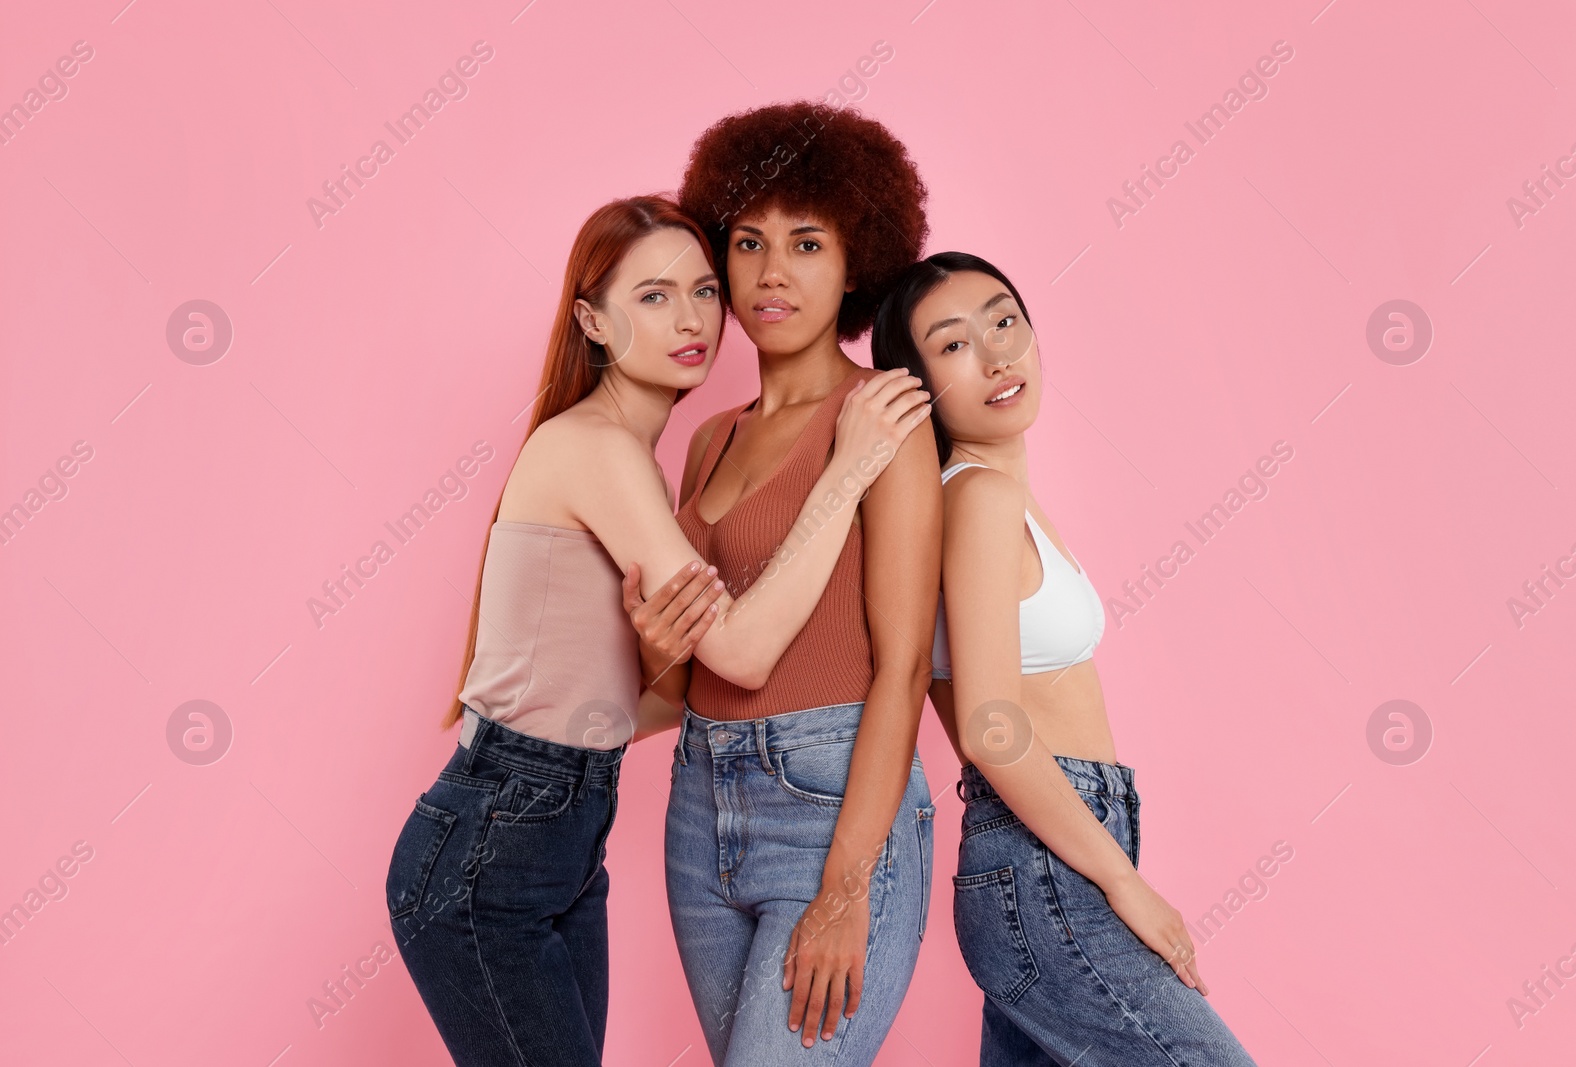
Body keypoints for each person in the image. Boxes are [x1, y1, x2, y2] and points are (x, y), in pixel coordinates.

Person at [382, 194, 929, 1067]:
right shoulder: (600, 449)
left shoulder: (647, 457)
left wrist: (660, 652)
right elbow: (741, 654)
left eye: (703, 291)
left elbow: (655, 702)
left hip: (562, 827)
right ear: (592, 320)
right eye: (652, 297)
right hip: (501, 837)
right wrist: (847, 468)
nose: (692, 320)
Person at [871, 251, 1259, 1066]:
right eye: (952, 345)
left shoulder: (993, 490)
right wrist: (1123, 881)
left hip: (1053, 845)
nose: (996, 354)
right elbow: (988, 725)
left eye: (1005, 321)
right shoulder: (976, 494)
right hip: (1045, 862)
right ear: (918, 383)